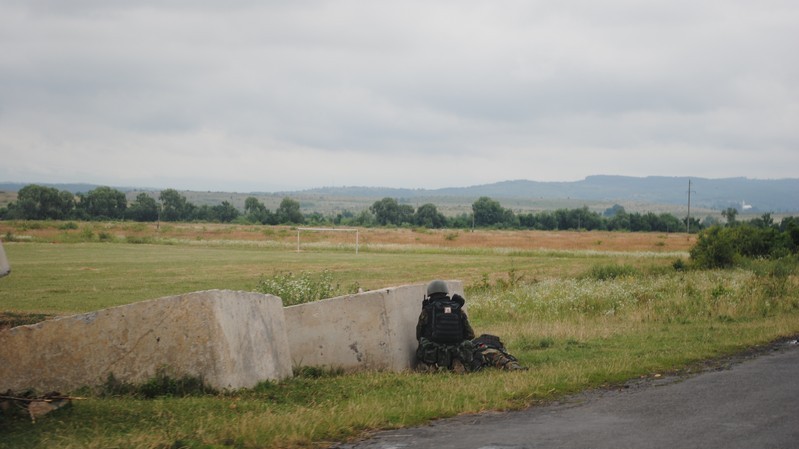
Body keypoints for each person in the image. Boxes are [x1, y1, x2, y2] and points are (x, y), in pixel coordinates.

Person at [415, 280, 476, 373]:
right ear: (445, 292)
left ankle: (431, 364)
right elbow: (470, 334)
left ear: (430, 295)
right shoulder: (457, 308)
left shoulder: (428, 310)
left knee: (424, 342)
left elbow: (419, 334)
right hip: (456, 348)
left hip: (434, 349)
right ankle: (457, 362)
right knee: (467, 344)